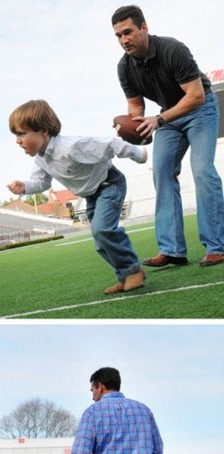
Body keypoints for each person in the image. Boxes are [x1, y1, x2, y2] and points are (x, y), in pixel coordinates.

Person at [112, 5, 224, 267]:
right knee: (161, 172)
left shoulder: (173, 49)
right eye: (118, 36)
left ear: (144, 27)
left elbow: (195, 95)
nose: (123, 40)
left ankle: (217, 246)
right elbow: (136, 105)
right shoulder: (124, 67)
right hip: (168, 118)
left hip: (199, 109)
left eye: (127, 32)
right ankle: (172, 250)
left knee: (202, 170)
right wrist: (134, 124)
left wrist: (160, 119)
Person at [8, 99, 148, 295]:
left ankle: (133, 271)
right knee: (100, 242)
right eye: (16, 135)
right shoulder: (41, 158)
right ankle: (125, 274)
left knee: (102, 230)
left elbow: (110, 144)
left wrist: (138, 153)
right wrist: (25, 187)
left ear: (44, 131)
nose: (17, 140)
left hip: (109, 184)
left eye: (21, 133)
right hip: (90, 195)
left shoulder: (71, 147)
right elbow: (42, 183)